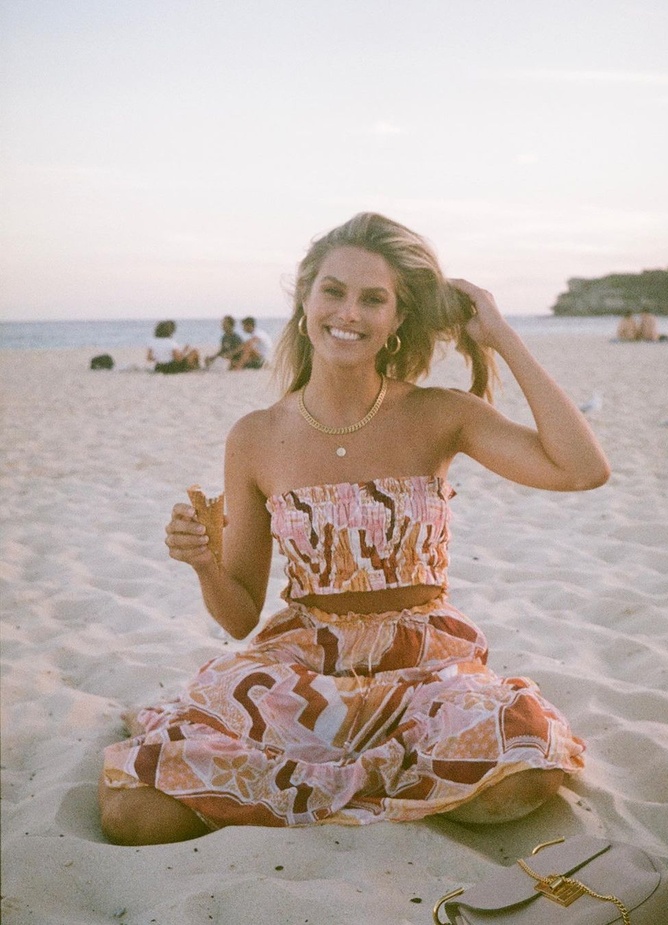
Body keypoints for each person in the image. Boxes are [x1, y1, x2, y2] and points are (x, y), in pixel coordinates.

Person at [100, 213, 610, 845]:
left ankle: (333, 788)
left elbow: (582, 469)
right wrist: (204, 563)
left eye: (374, 299)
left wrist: (502, 336)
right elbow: (239, 617)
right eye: (334, 291)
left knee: (527, 773)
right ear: (305, 301)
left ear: (398, 318)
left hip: (426, 669)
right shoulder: (256, 436)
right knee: (134, 815)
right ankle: (376, 788)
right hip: (304, 674)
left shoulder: (440, 413)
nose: (349, 313)